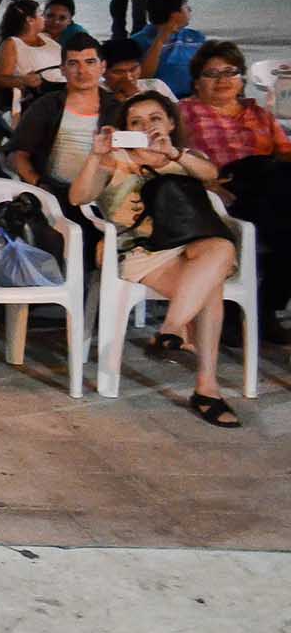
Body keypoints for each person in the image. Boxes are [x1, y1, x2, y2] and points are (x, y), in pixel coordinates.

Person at [65, 92, 240, 425]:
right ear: (124, 128)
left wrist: (171, 153)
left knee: (221, 246)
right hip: (143, 252)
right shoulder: (114, 159)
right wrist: (96, 155)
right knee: (211, 286)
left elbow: (209, 172)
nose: (147, 126)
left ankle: (172, 326)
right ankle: (207, 387)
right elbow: (78, 197)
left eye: (155, 118)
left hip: (195, 243)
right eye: (136, 122)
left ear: (171, 122)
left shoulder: (183, 157)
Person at [178, 40, 291, 340]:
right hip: (221, 189)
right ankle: (255, 312)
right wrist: (205, 181)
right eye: (212, 74)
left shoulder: (261, 115)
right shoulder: (185, 112)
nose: (222, 80)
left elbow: (285, 154)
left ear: (241, 79)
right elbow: (171, 157)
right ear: (197, 82)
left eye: (230, 72)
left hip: (270, 188)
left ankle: (260, 308)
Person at [10, 37, 117, 212]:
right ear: (63, 70)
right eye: (73, 64)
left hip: (103, 198)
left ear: (103, 67)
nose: (82, 71)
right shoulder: (46, 106)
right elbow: (17, 155)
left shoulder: (118, 109)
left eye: (90, 62)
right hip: (53, 197)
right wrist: (39, 185)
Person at [130, 0, 206, 99]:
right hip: (159, 101)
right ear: (174, 14)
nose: (190, 9)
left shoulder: (196, 37)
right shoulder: (137, 41)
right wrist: (161, 39)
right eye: (185, 5)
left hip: (195, 100)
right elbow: (143, 79)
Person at [0, 0, 64, 111]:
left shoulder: (46, 38)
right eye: (40, 14)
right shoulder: (12, 44)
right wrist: (23, 80)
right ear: (30, 20)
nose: (44, 18)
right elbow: (0, 79)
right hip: (41, 95)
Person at [101, 38, 175, 104]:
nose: (128, 77)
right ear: (102, 71)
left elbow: (178, 114)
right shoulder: (96, 93)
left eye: (133, 69)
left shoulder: (156, 86)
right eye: (119, 72)